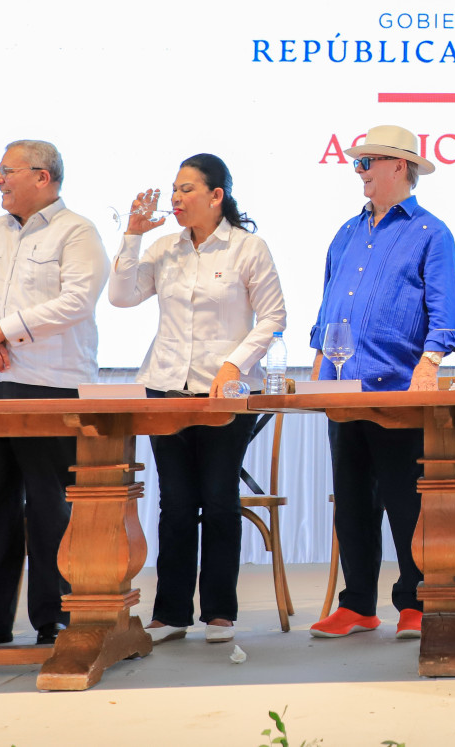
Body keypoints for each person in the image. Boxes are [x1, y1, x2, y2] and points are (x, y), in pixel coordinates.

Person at [0, 139, 108, 648]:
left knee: (50, 508)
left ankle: (54, 617)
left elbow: (77, 300)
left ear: (42, 176)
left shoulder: (77, 231)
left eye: (5, 171)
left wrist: (4, 330)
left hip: (51, 385)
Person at [108, 153, 286, 643]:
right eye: (174, 189)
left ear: (216, 195)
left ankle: (220, 612)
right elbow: (121, 297)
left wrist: (235, 364)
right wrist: (132, 235)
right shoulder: (164, 247)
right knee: (176, 503)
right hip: (165, 384)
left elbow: (273, 317)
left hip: (224, 392)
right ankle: (171, 613)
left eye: (187, 189)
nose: (176, 198)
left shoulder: (248, 248)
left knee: (219, 498)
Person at [307, 124, 455, 642]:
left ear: (399, 166)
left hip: (399, 391)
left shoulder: (431, 233)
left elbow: (447, 312)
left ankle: (415, 603)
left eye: (367, 162)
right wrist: (316, 376)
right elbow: (328, 311)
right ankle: (357, 605)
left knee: (406, 502)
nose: (359, 171)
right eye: (358, 163)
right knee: (352, 502)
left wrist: (429, 366)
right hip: (343, 391)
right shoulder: (345, 233)